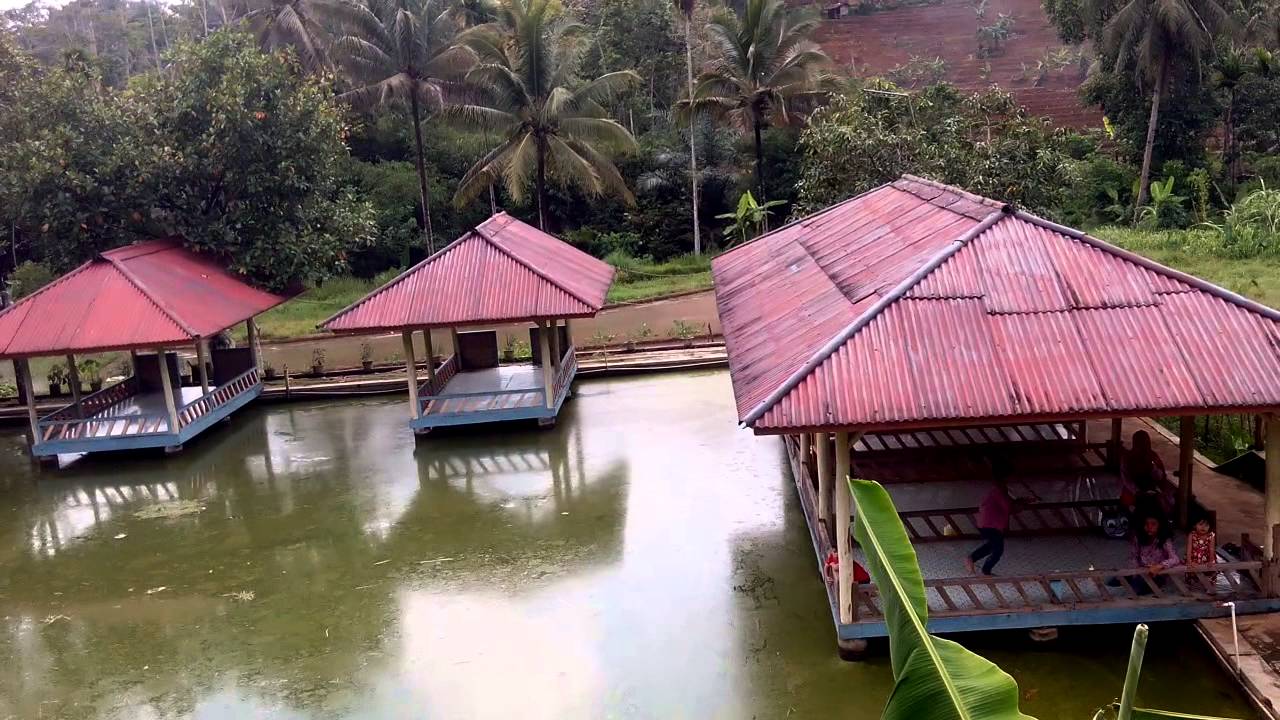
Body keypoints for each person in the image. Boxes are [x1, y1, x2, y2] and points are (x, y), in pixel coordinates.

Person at [965, 458, 1023, 576]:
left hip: (987, 523)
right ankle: (986, 571)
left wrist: (1020, 502)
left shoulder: (999, 489)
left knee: (992, 546)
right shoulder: (1000, 490)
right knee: (997, 550)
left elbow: (1008, 504)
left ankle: (972, 559)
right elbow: (1009, 507)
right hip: (991, 524)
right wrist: (1021, 504)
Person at [1120, 430, 1172, 521]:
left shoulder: (1152, 455)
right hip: (1133, 489)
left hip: (1151, 487)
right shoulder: (1127, 457)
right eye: (1139, 442)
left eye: (1145, 442)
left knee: (1163, 503)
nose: (1142, 446)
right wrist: (1136, 490)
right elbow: (1125, 477)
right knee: (1131, 507)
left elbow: (1160, 477)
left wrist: (1153, 466)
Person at [1130, 513, 1181, 594]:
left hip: (1158, 573)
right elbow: (1134, 557)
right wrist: (1136, 572)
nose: (1149, 527)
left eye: (1153, 524)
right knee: (1115, 582)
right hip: (1142, 571)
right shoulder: (1138, 539)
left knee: (1140, 590)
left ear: (1160, 525)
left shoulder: (1164, 540)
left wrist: (1159, 566)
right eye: (1146, 524)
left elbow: (1175, 559)